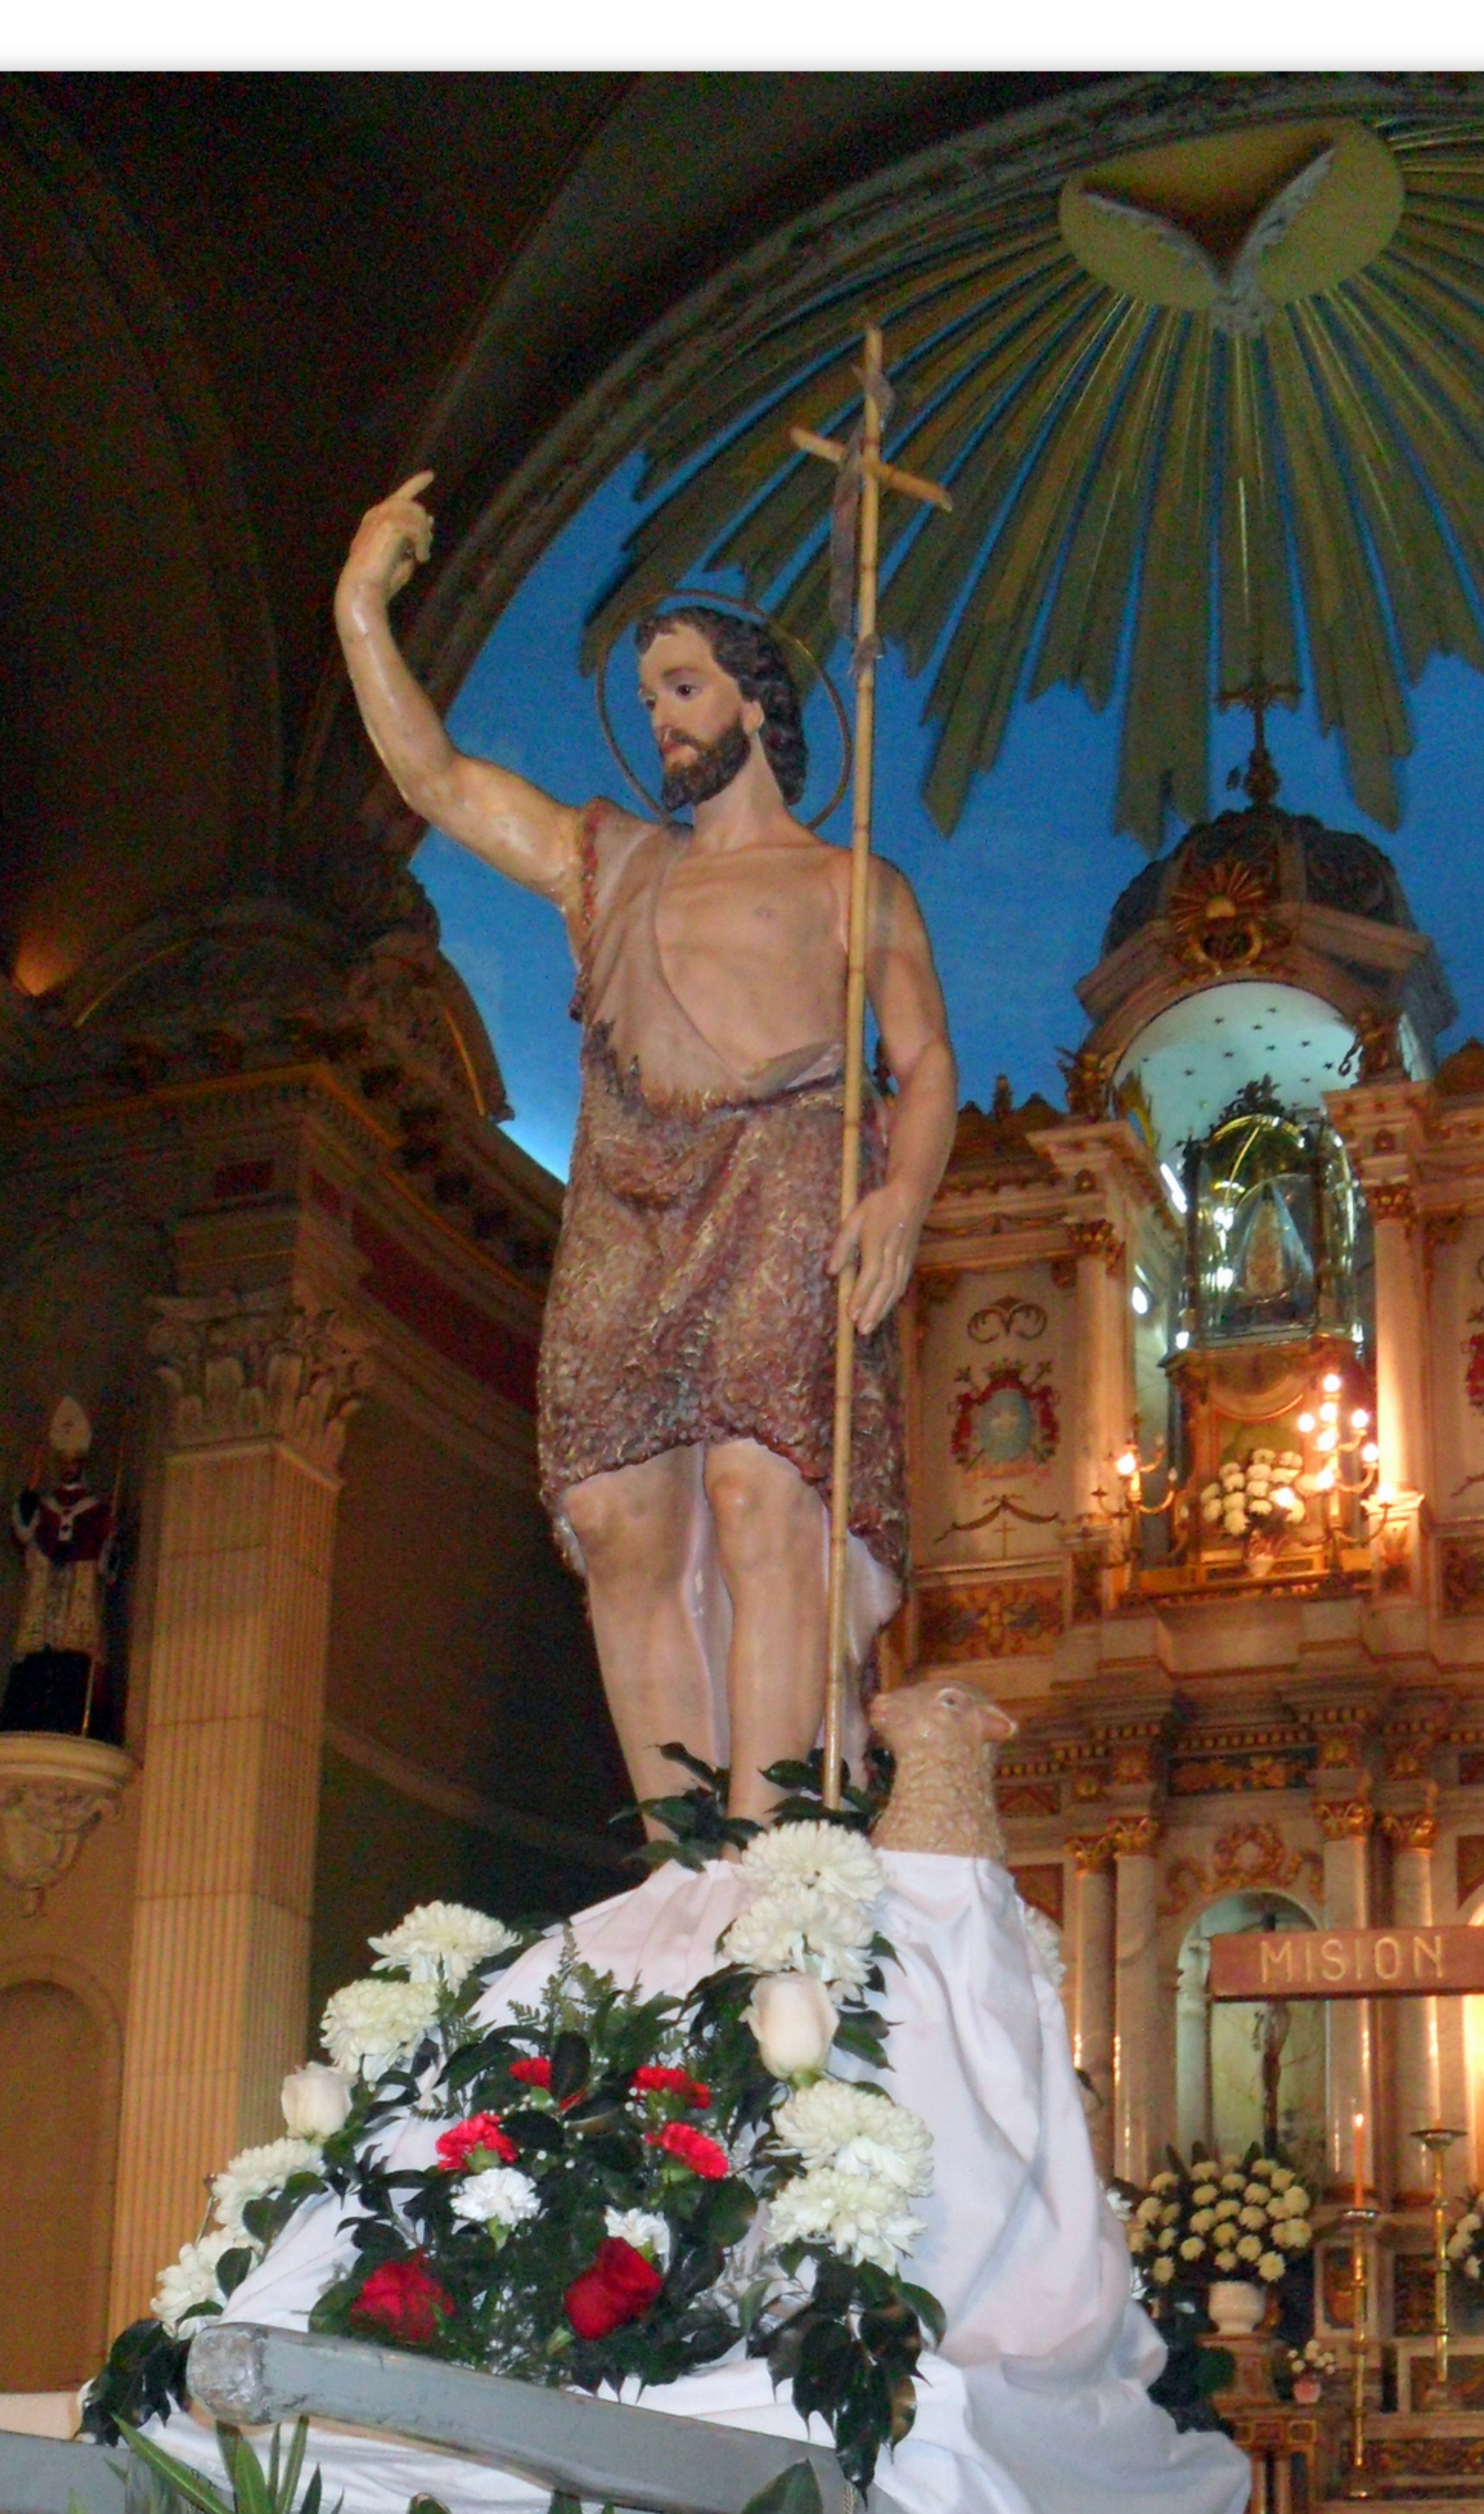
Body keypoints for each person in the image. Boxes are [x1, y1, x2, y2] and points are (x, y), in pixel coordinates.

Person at [333, 474, 958, 1818]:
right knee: (621, 1522)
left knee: (758, 1496)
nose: (662, 718)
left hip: (791, 1177)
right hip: (626, 1190)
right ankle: (685, 1865)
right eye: (651, 697)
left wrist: (904, 1190)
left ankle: (772, 1848)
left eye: (683, 688)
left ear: (755, 705)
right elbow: (437, 779)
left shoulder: (850, 882)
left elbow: (922, 1063)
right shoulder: (610, 862)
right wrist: (359, 607)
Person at [0, 1395, 121, 1737]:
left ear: (81, 1464)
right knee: (37, 1649)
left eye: (74, 1462)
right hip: (46, 1590)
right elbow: (25, 1536)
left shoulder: (94, 1510)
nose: (68, 1468)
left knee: (76, 1651)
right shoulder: (46, 1505)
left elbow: (106, 1560)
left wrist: (109, 1546)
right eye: (64, 1462)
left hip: (78, 1590)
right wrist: (25, 1509)